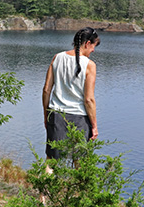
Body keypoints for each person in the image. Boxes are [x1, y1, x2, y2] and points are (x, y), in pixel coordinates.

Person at [42, 27, 101, 159]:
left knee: (51, 160)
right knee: (79, 161)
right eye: (93, 46)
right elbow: (89, 100)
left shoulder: (57, 58)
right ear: (87, 44)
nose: (93, 50)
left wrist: (46, 114)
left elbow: (46, 90)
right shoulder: (90, 65)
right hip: (79, 118)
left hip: (56, 114)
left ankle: (45, 179)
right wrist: (94, 126)